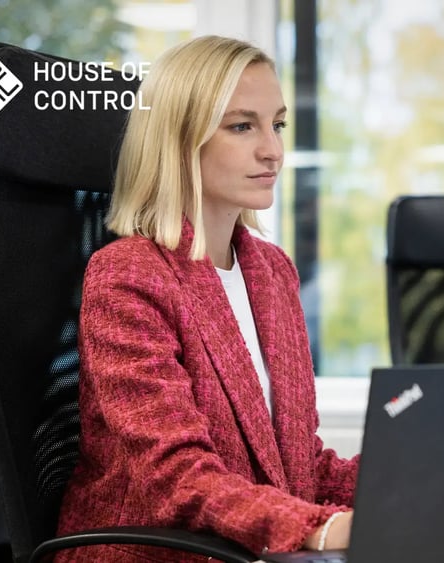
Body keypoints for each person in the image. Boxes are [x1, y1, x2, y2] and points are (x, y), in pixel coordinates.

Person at [56, 36, 357, 561]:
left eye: (277, 124)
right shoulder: (128, 276)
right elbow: (178, 479)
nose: (273, 149)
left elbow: (296, 464)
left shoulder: (273, 272)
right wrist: (321, 529)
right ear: (179, 140)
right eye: (243, 126)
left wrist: (410, 481)